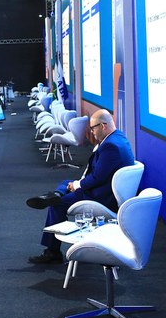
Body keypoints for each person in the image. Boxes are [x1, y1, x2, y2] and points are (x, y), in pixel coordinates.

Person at [26, 109, 135, 263]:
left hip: (101, 197)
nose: (91, 132)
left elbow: (97, 177)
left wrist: (78, 185)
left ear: (103, 126)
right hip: (105, 189)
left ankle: (52, 252)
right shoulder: (119, 138)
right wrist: (76, 185)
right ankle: (56, 194)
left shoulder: (111, 146)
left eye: (93, 128)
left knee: (57, 205)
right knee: (65, 183)